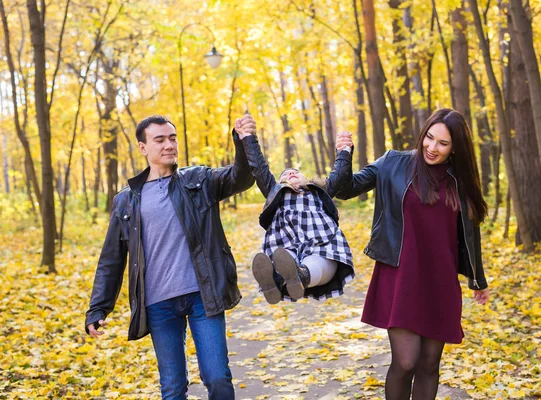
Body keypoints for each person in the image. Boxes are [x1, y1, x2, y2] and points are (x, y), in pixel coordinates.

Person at [85, 114, 257, 400]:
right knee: (173, 388)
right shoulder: (126, 200)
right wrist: (98, 308)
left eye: (173, 138)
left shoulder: (199, 180)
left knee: (217, 378)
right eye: (160, 139)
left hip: (203, 295)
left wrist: (242, 142)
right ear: (143, 148)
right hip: (158, 304)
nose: (169, 145)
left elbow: (242, 177)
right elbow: (112, 259)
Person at [336, 109, 490, 399]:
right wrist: (344, 154)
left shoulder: (461, 180)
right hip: (401, 275)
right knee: (406, 362)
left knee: (429, 364)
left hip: (440, 280)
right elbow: (344, 189)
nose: (432, 148)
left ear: (455, 147)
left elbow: (471, 233)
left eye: (442, 143)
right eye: (429, 138)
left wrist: (478, 280)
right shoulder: (394, 163)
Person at [239, 124, 355, 304]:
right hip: (287, 246)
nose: (291, 173)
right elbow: (259, 169)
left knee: (321, 260)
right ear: (279, 184)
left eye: (296, 172)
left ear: (307, 179)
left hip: (321, 243)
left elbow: (339, 175)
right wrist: (248, 139)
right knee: (283, 259)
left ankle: (299, 277)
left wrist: (344, 150)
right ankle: (275, 280)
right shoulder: (276, 193)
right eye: (286, 175)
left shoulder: (318, 191)